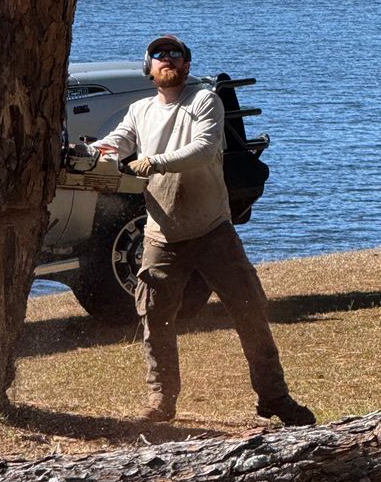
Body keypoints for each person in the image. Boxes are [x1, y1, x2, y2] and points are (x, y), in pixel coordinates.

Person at [93, 34, 316, 426]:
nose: (167, 61)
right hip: (161, 235)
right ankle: (161, 403)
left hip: (213, 230)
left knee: (249, 310)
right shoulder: (139, 111)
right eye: (159, 56)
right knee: (155, 320)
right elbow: (114, 142)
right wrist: (94, 152)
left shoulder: (202, 102)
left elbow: (203, 148)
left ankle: (274, 397)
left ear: (187, 65)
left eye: (175, 55)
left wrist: (155, 162)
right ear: (149, 68)